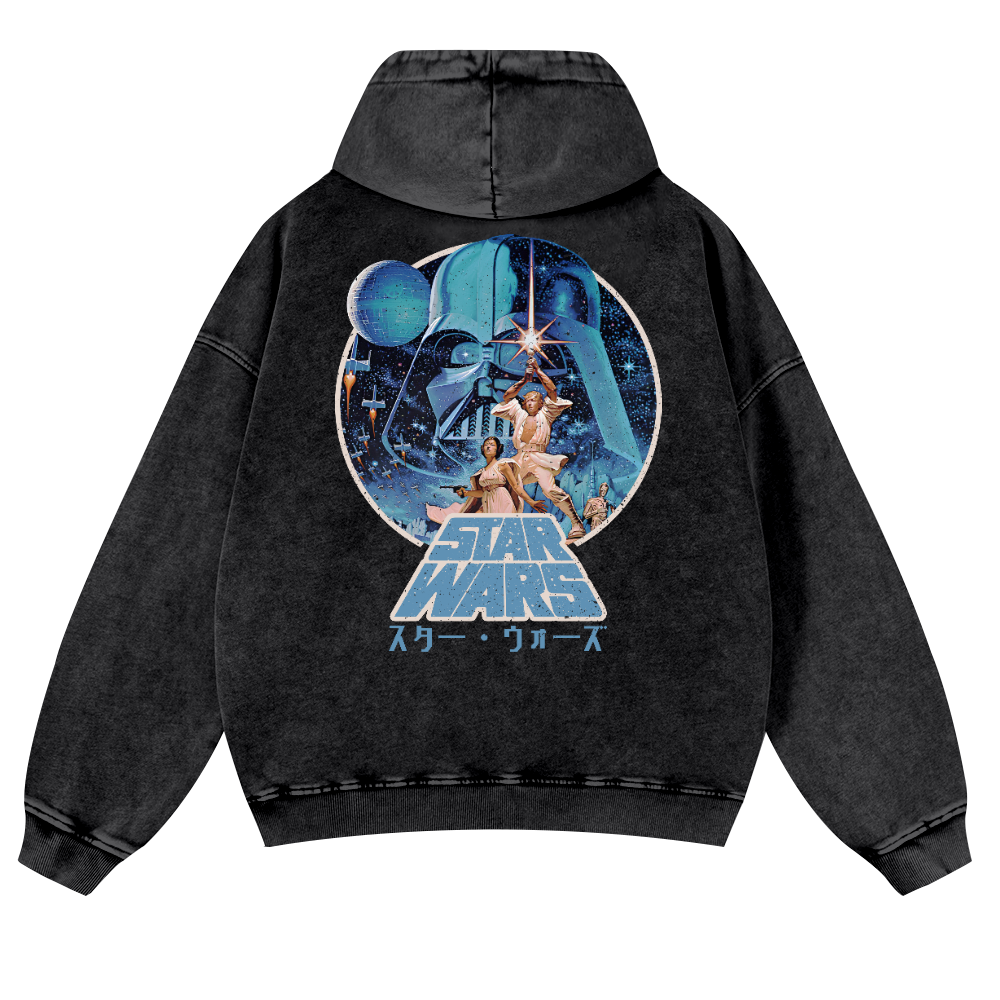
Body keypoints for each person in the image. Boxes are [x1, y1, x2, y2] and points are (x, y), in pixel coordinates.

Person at [491, 359, 588, 540]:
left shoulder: (547, 413)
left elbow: (552, 391)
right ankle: (504, 526)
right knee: (500, 485)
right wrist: (524, 380)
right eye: (527, 400)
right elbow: (507, 397)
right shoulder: (518, 414)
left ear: (541, 403)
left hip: (538, 458)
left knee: (550, 490)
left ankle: (576, 523)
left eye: (534, 400)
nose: (529, 403)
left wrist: (537, 369)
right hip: (519, 459)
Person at [424, 436, 545, 524]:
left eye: (492, 445)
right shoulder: (481, 473)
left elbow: (515, 486)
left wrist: (531, 502)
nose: (488, 447)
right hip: (487, 501)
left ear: (498, 449)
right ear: (482, 448)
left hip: (502, 500)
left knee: (501, 529)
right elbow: (482, 492)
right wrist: (466, 493)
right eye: (486, 444)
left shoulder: (502, 464)